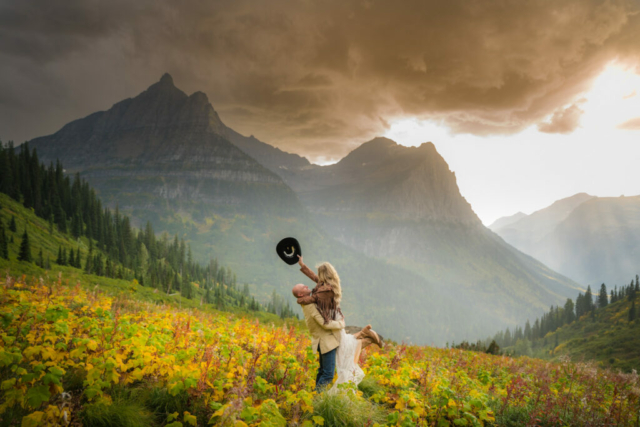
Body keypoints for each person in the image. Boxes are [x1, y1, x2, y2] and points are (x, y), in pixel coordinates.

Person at [293, 255, 383, 392]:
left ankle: (368, 335)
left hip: (332, 327)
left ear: (323, 276)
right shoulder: (325, 286)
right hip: (329, 330)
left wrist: (300, 300)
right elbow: (314, 281)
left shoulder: (325, 291)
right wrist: (302, 265)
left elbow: (312, 298)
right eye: (303, 287)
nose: (308, 285)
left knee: (343, 351)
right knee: (341, 354)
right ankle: (367, 334)